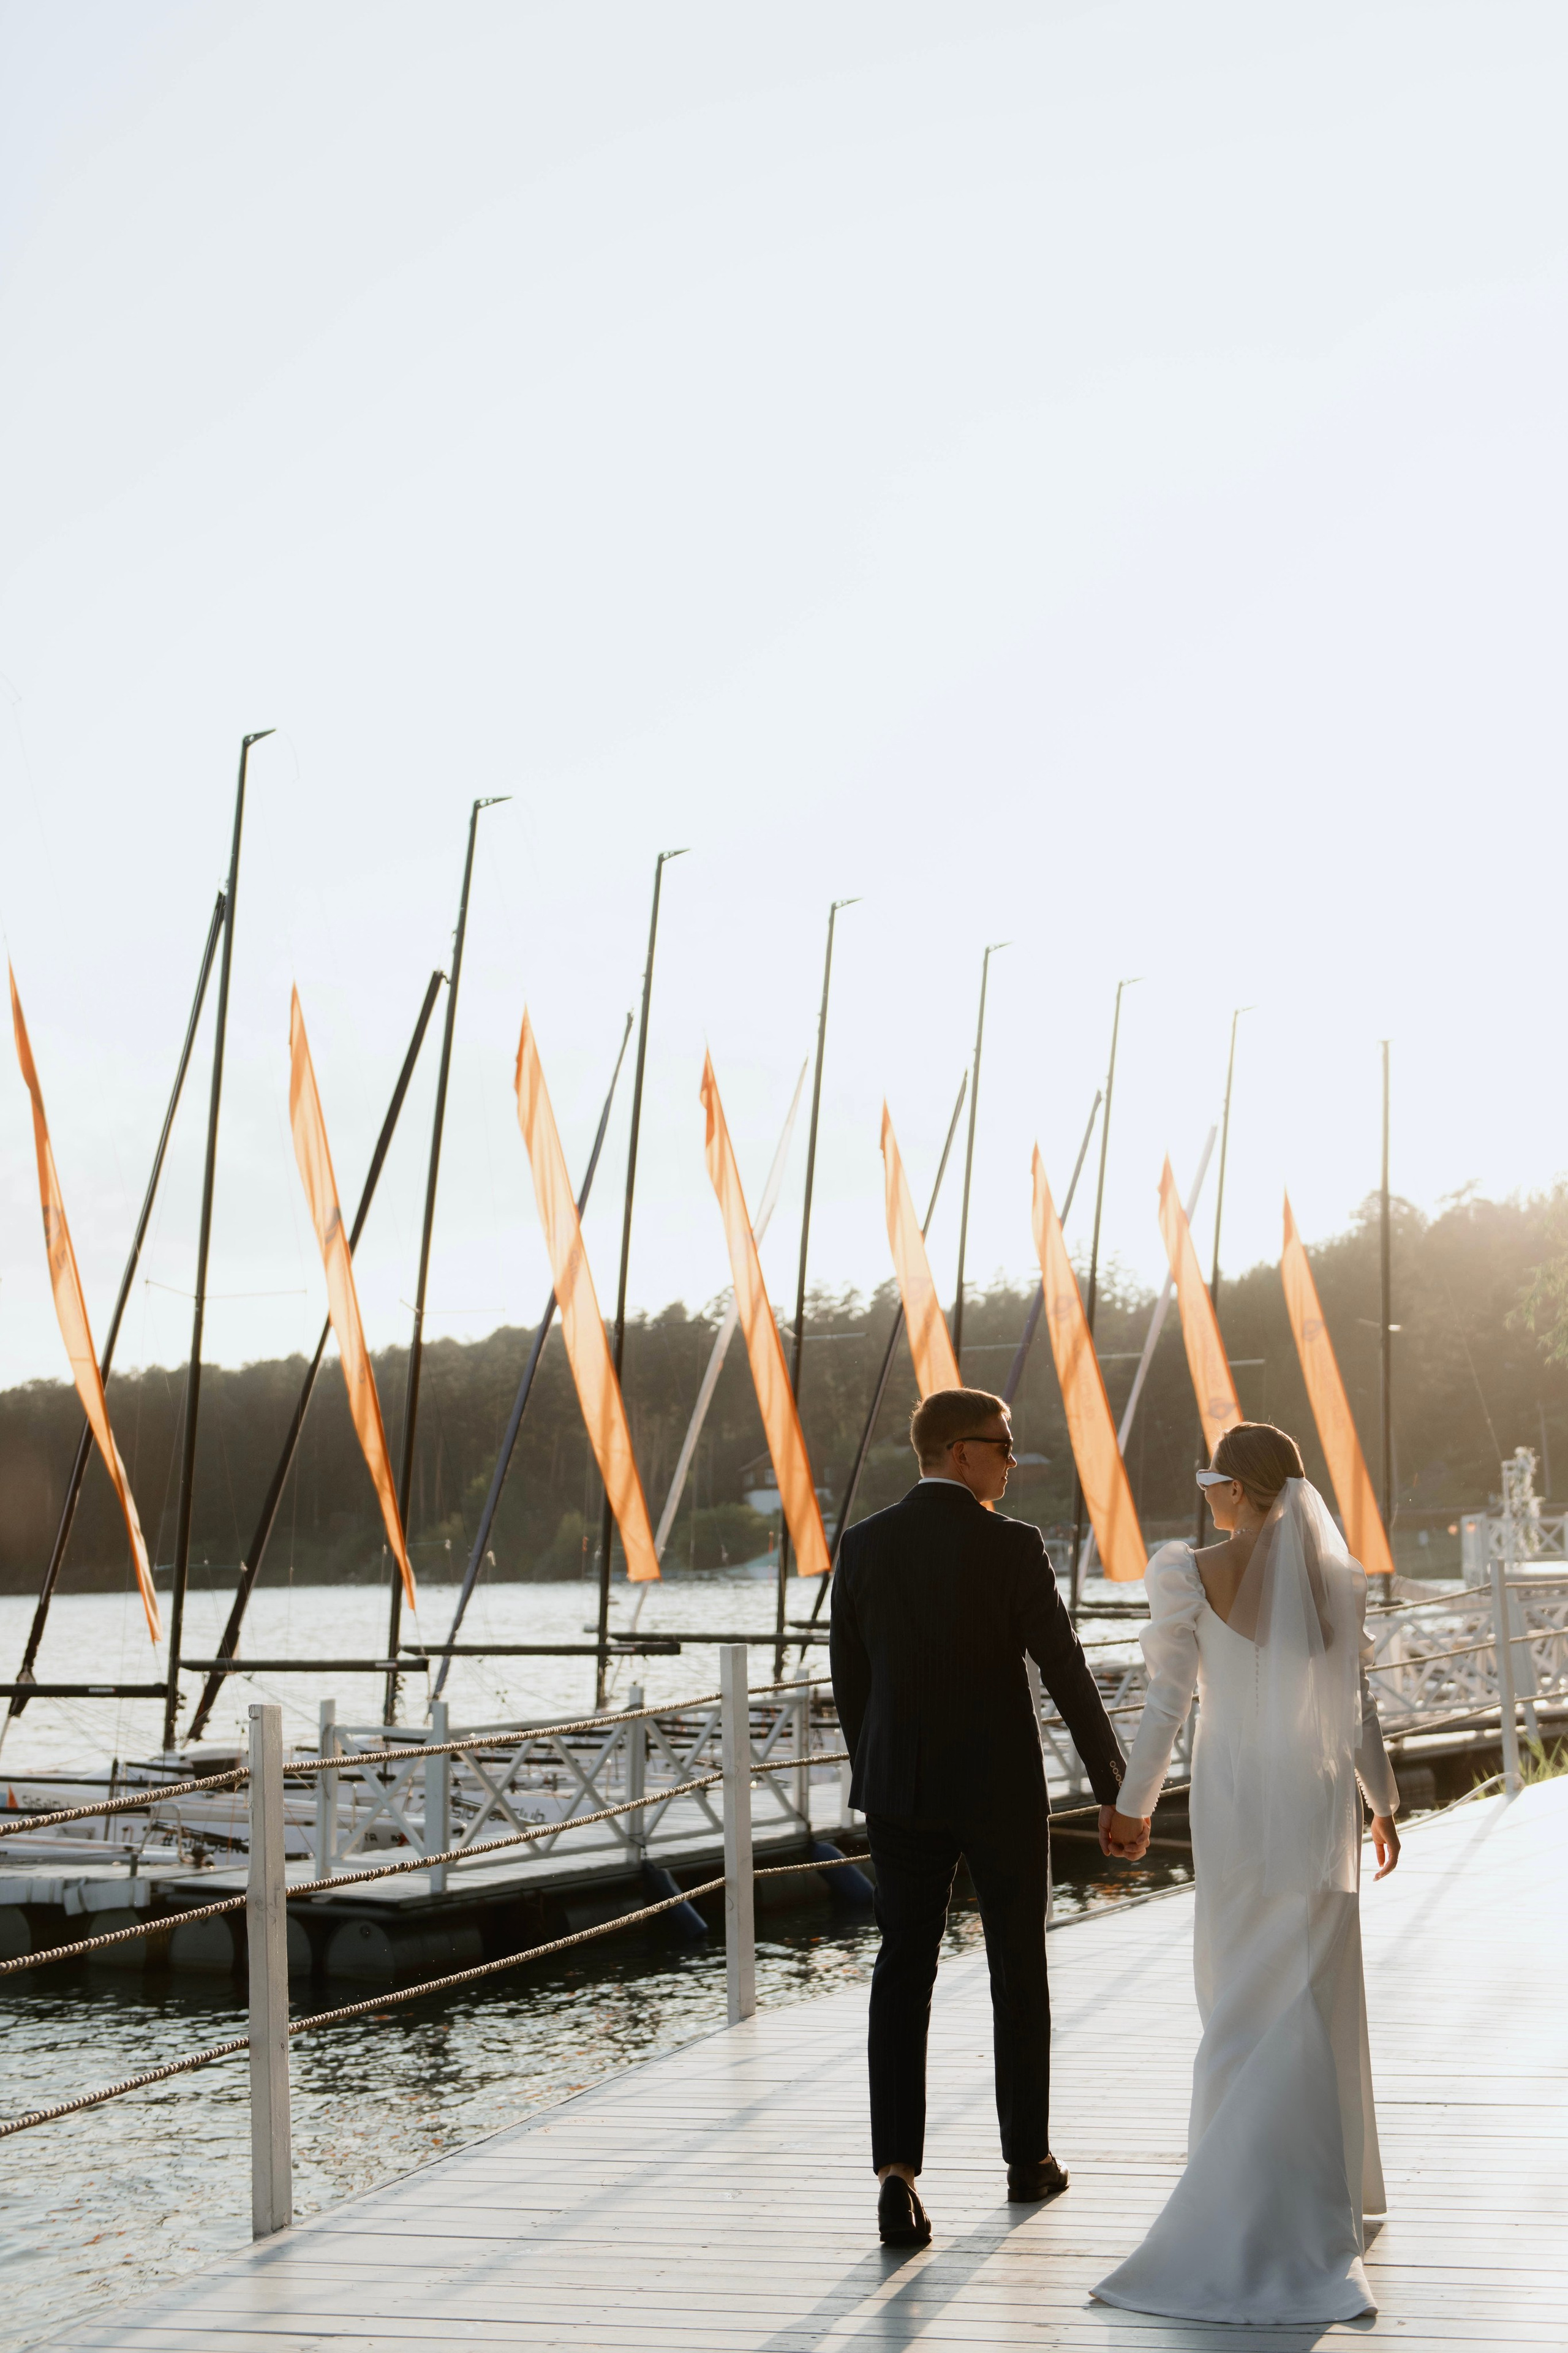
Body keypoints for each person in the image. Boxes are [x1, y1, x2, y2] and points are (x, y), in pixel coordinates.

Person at [1093, 1421, 1402, 2325]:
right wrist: (1380, 1801)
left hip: (1232, 1804)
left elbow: (1167, 1701)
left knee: (1235, 1990)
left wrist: (1134, 1803)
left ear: (1234, 1489)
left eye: (1213, 1481)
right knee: (1313, 1988)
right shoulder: (1335, 1580)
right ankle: (1324, 2196)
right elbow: (1356, 1712)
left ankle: (1232, 2196)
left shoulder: (1188, 1572)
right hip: (1315, 1805)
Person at [831, 1385, 1136, 2249]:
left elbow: (852, 1685)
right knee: (1017, 1965)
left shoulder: (860, 1545)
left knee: (902, 1973)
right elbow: (1066, 1670)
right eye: (1004, 1444)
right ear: (960, 1452)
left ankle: (898, 2178)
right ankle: (1027, 2158)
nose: (1013, 1457)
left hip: (899, 1790)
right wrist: (1115, 1785)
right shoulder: (1013, 1546)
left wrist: (882, 1768)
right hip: (1000, 1789)